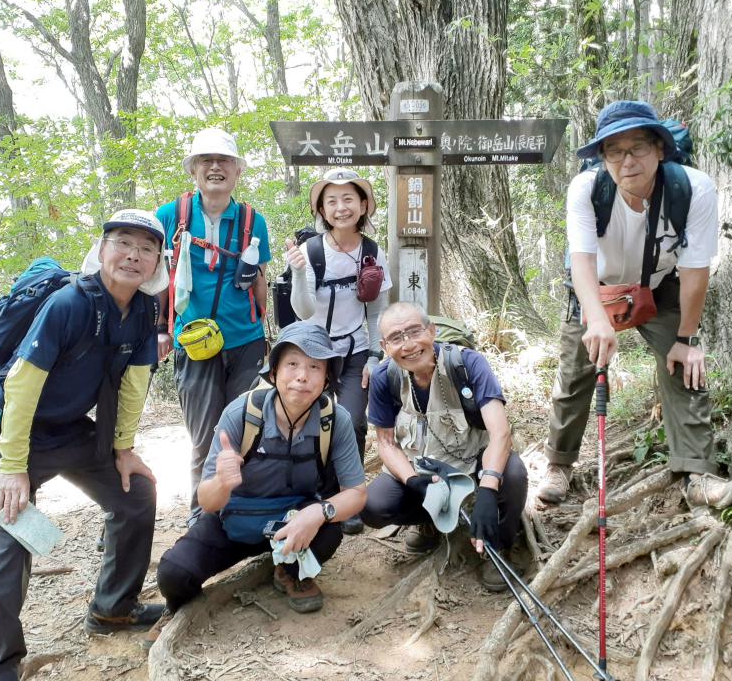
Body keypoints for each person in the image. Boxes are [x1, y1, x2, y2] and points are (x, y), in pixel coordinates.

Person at [0, 210, 166, 680]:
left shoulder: (143, 310)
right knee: (12, 535)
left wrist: (123, 449)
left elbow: (135, 384)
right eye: (122, 242)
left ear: (157, 261)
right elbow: (21, 387)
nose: (133, 255)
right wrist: (13, 467)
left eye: (146, 248)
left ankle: (112, 608)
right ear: (101, 250)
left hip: (68, 429)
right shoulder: (69, 304)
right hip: (6, 433)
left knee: (135, 494)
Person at [538, 99, 732, 509]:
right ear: (602, 157)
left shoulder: (694, 189)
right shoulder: (587, 188)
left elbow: (694, 269)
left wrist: (686, 338)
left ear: (659, 148)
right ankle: (559, 465)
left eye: (637, 147)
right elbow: (580, 259)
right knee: (576, 370)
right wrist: (597, 320)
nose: (627, 160)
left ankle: (697, 473)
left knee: (683, 366)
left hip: (659, 284)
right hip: (594, 283)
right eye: (614, 151)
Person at [144, 323, 366, 648]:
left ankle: (288, 572)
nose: (302, 376)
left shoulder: (335, 420)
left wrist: (319, 512)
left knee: (330, 529)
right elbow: (207, 502)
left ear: (327, 378)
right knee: (174, 574)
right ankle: (176, 609)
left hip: (293, 522)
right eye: (292, 364)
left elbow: (357, 493)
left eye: (314, 367)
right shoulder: (242, 414)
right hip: (233, 522)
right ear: (274, 372)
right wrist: (221, 481)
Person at [359, 302, 528, 592]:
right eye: (397, 338)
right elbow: (385, 442)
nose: (409, 345)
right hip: (422, 469)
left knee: (512, 474)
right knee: (373, 505)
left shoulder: (467, 364)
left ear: (432, 331)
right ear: (385, 346)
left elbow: (500, 433)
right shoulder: (384, 377)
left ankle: (499, 543)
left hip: (474, 462)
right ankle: (433, 522)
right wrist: (412, 481)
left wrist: (488, 489)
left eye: (415, 332)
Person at [155, 127, 272, 527]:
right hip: (194, 343)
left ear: (238, 171)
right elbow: (157, 278)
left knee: (246, 428)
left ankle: (244, 506)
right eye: (206, 160)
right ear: (194, 170)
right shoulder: (170, 216)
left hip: (246, 340)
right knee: (204, 435)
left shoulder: (252, 220)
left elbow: (258, 279)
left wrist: (266, 332)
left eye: (224, 161)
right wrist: (160, 329)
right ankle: (201, 515)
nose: (215, 167)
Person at [284, 168, 392, 535]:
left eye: (348, 199)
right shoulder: (311, 250)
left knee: (354, 421)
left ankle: (349, 497)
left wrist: (377, 357)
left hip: (356, 350)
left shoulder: (373, 252)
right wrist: (299, 273)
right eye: (331, 201)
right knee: (306, 422)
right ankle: (315, 493)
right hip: (314, 352)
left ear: (363, 206)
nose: (340, 207)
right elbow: (303, 311)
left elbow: (377, 312)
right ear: (321, 210)